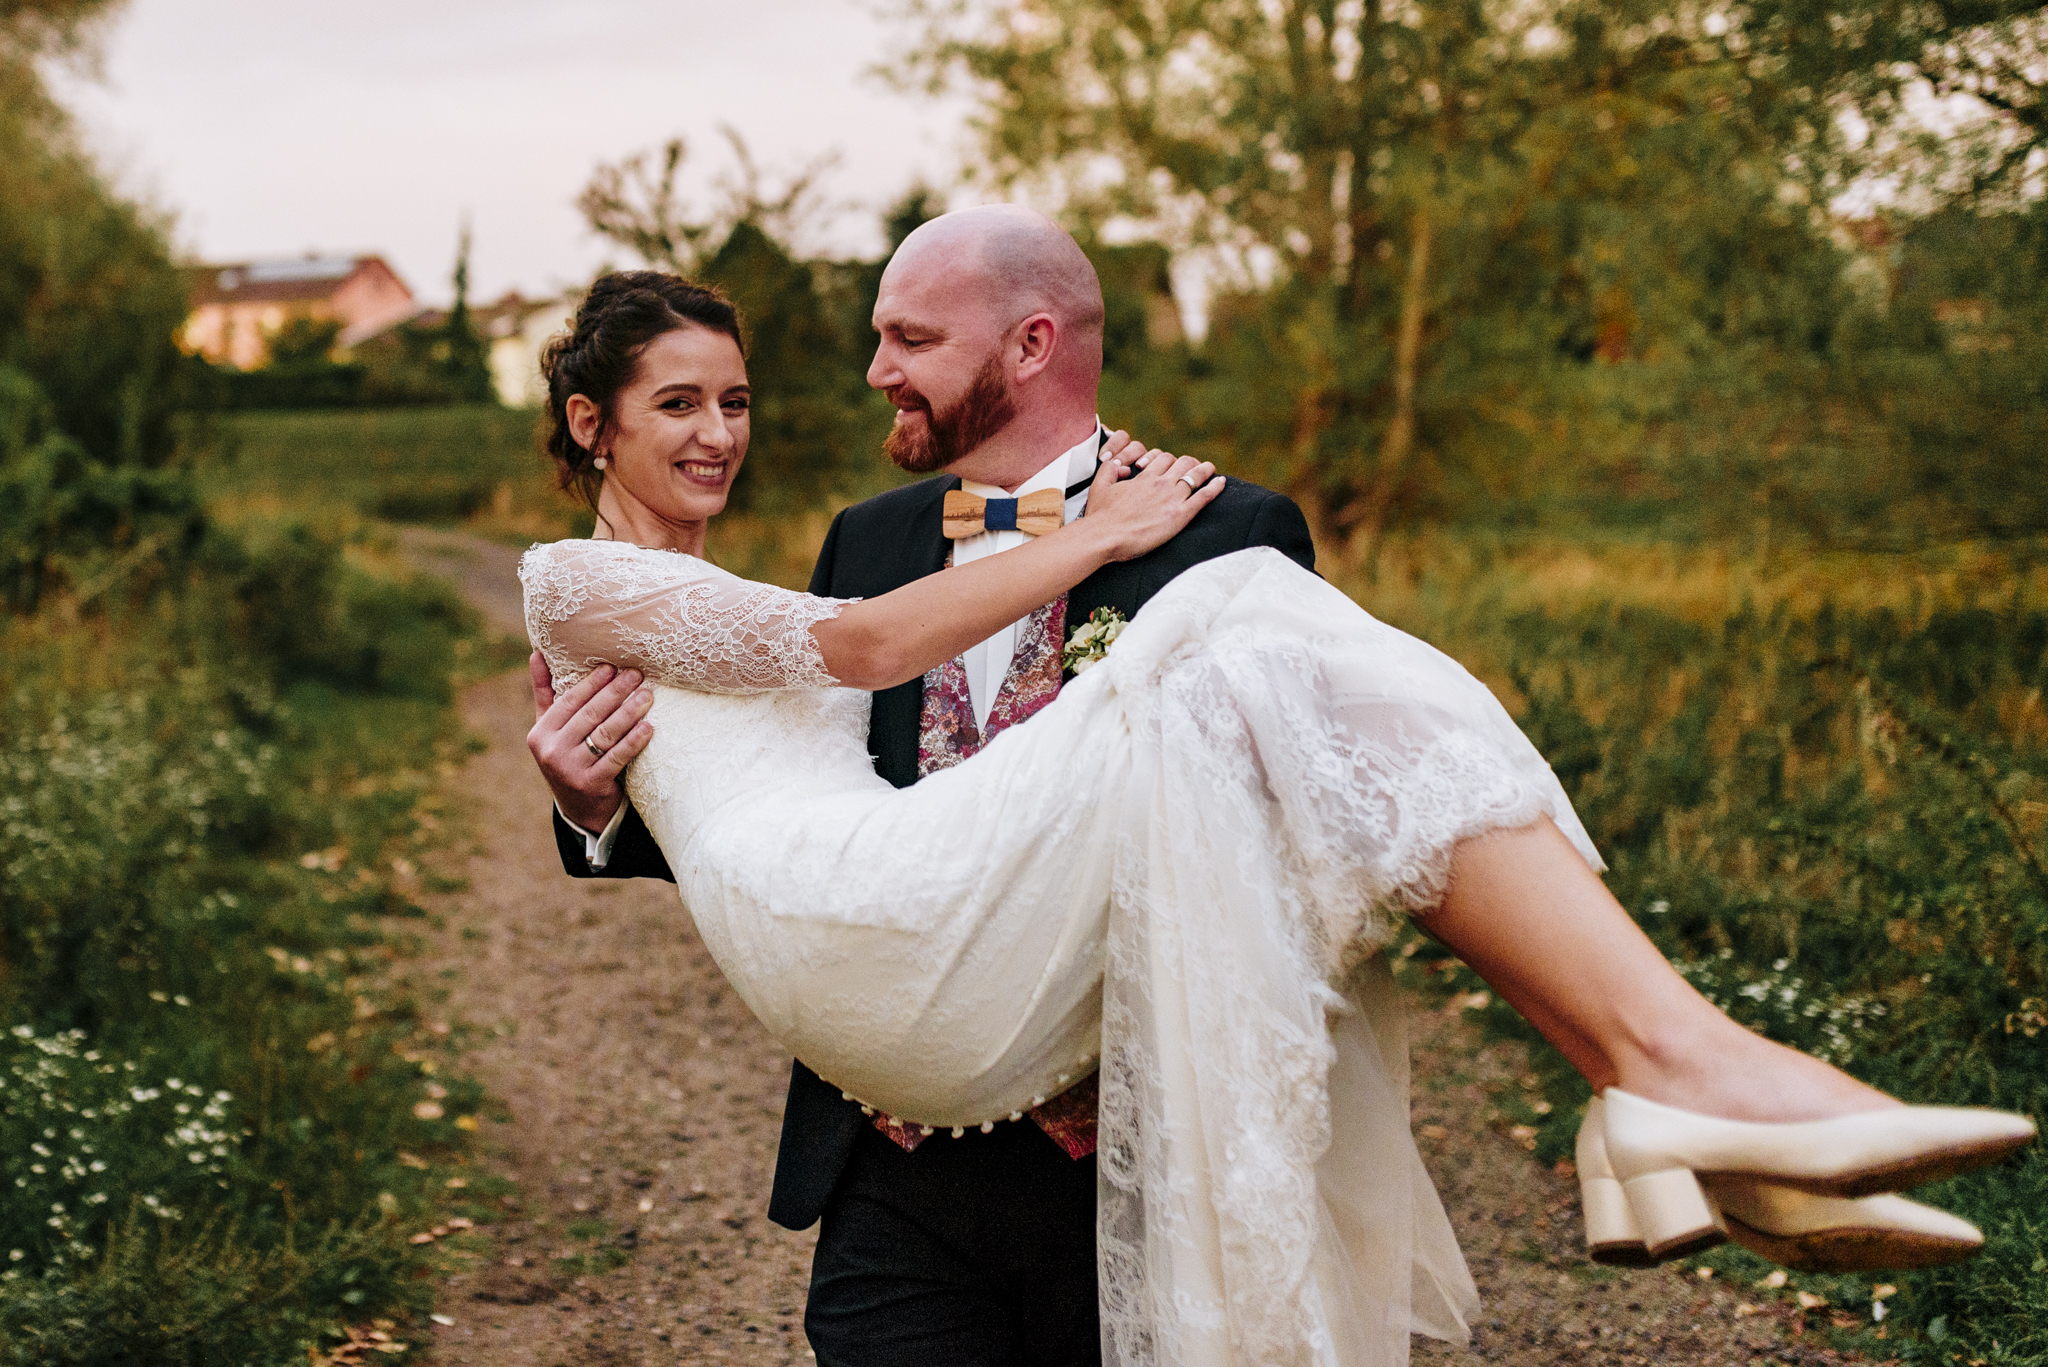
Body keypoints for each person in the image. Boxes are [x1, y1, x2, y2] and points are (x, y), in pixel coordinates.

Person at [524, 216, 2033, 1367]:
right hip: (902, 1096)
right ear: (596, 424)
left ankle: (1666, 1082)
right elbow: (831, 709)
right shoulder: (828, 554)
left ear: (1034, 341)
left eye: (903, 337)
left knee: (1239, 607)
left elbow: (1314, 820)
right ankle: (1670, 1063)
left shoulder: (1231, 520)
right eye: (680, 406)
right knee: (1228, 620)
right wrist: (592, 810)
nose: (748, 422)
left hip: (1117, 1115)